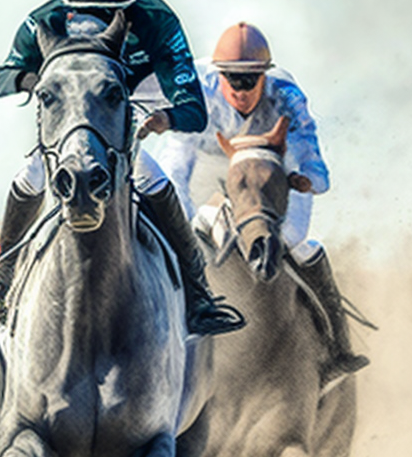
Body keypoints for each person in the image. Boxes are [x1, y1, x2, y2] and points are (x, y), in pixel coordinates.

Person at [0, 0, 243, 336]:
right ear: (68, 5)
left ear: (129, 6)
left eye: (106, 15)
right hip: (69, 96)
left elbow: (194, 110)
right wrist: (42, 84)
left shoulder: (156, 20)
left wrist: (165, 117)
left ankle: (198, 294)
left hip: (134, 94)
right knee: (33, 170)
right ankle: (2, 286)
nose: (93, 23)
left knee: (149, 174)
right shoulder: (43, 21)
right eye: (84, 13)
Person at [153, 21, 369, 381]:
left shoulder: (287, 97)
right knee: (182, 238)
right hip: (211, 168)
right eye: (232, 79)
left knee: (293, 238)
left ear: (265, 76)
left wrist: (306, 179)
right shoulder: (196, 94)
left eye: (250, 79)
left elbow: (315, 165)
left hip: (272, 173)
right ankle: (164, 341)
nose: (240, 89)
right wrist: (183, 230)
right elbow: (175, 170)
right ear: (218, 74)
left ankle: (336, 347)